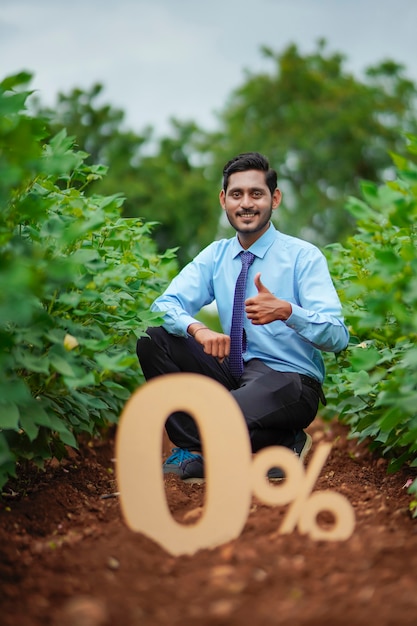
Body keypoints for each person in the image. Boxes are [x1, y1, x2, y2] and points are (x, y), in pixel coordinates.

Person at [136, 152, 349, 482]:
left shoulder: (303, 257)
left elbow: (338, 337)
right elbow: (164, 305)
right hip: (238, 372)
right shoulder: (216, 255)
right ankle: (223, 447)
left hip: (289, 379)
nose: (246, 203)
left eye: (256, 193)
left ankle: (259, 442)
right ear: (224, 200)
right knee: (154, 339)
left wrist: (287, 312)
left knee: (220, 415)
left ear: (274, 198)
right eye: (237, 194)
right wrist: (197, 329)